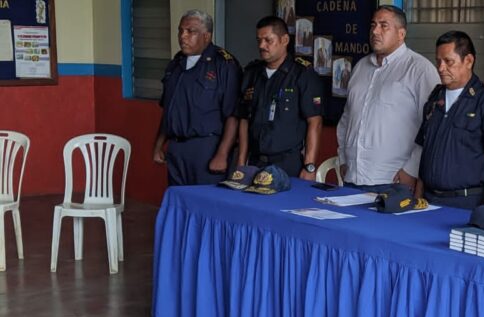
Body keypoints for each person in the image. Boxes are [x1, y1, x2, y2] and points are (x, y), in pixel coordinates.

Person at [336, 5, 439, 193]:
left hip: (392, 179)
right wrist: (344, 158)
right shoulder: (360, 67)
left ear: (401, 34)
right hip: (353, 176)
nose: (375, 31)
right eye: (373, 25)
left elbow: (431, 126)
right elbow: (346, 119)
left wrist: (411, 170)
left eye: (384, 26)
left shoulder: (419, 69)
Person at [415, 31, 484, 209]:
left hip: (465, 202)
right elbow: (425, 150)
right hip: (428, 201)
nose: (441, 68)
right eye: (438, 61)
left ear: (468, 61)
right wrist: (417, 196)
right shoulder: (435, 98)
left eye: (448, 61)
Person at [153, 10, 241, 186]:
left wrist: (222, 154)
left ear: (206, 36)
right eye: (180, 31)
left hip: (206, 148)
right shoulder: (175, 64)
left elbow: (233, 115)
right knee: (180, 201)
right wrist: (158, 145)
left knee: (205, 204)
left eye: (190, 31)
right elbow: (169, 109)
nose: (182, 36)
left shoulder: (224, 65)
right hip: (176, 148)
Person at [237, 16, 323, 179]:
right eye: (259, 40)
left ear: (284, 40)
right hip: (255, 162)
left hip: (287, 164)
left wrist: (309, 166)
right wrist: (241, 162)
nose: (262, 46)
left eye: (268, 40)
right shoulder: (252, 73)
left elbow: (315, 122)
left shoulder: (302, 74)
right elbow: (244, 120)